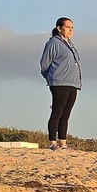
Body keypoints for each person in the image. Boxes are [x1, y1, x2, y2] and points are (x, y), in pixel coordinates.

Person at [39, 17, 81, 149]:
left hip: (73, 83)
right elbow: (44, 63)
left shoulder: (69, 44)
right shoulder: (54, 43)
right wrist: (50, 77)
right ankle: (52, 142)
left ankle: (63, 143)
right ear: (59, 28)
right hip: (59, 83)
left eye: (72, 27)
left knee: (66, 114)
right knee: (57, 112)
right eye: (68, 27)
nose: (70, 30)